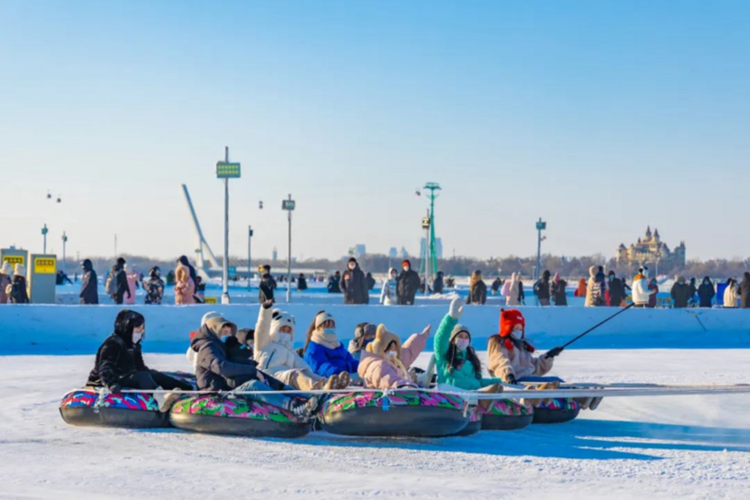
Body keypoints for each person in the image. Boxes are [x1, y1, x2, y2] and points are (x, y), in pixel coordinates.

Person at [191, 313, 318, 419]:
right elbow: (222, 367)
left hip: (227, 387)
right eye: (225, 331)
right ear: (215, 330)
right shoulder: (208, 347)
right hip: (217, 393)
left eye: (230, 332)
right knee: (253, 386)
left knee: (270, 380)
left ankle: (307, 400)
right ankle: (292, 407)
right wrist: (252, 371)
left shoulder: (222, 347)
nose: (228, 334)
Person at [87, 310, 192, 411]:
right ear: (126, 329)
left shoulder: (134, 345)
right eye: (137, 329)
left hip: (125, 376)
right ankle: (162, 399)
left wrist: (152, 376)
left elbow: (139, 367)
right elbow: (105, 367)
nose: (141, 332)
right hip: (109, 381)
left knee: (153, 375)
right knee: (142, 376)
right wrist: (111, 383)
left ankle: (187, 391)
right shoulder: (113, 343)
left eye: (142, 329)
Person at [254, 301, 348, 391]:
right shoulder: (265, 343)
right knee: (295, 374)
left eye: (288, 330)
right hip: (268, 377)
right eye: (283, 329)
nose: (286, 333)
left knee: (304, 372)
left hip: (284, 378)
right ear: (275, 329)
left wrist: (319, 378)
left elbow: (303, 366)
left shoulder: (289, 350)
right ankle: (315, 388)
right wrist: (266, 307)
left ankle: (332, 384)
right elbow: (262, 328)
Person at [433, 297, 504, 391]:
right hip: (452, 397)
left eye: (466, 337)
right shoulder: (445, 355)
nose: (464, 340)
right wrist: (451, 318)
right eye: (460, 336)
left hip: (473, 397)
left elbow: (477, 382)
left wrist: (495, 382)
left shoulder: (471, 359)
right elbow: (440, 339)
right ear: (453, 339)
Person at [487, 309, 562, 384]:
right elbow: (500, 361)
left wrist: (549, 356)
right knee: (553, 382)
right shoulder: (499, 342)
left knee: (557, 381)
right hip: (516, 380)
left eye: (521, 328)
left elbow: (534, 367)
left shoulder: (521, 345)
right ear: (507, 327)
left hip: (529, 379)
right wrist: (508, 375)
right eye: (516, 328)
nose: (518, 331)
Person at [358, 324, 430, 389]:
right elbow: (387, 378)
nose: (393, 351)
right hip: (388, 399)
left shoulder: (393, 361)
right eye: (390, 348)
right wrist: (404, 385)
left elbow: (408, 351)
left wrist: (422, 336)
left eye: (395, 348)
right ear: (381, 348)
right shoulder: (378, 365)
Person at [303, 310, 359, 377]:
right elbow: (320, 366)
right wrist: (337, 373)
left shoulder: (338, 345)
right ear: (318, 328)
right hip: (329, 379)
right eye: (326, 326)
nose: (329, 328)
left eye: (331, 326)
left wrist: (362, 367)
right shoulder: (314, 347)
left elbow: (351, 361)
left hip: (346, 377)